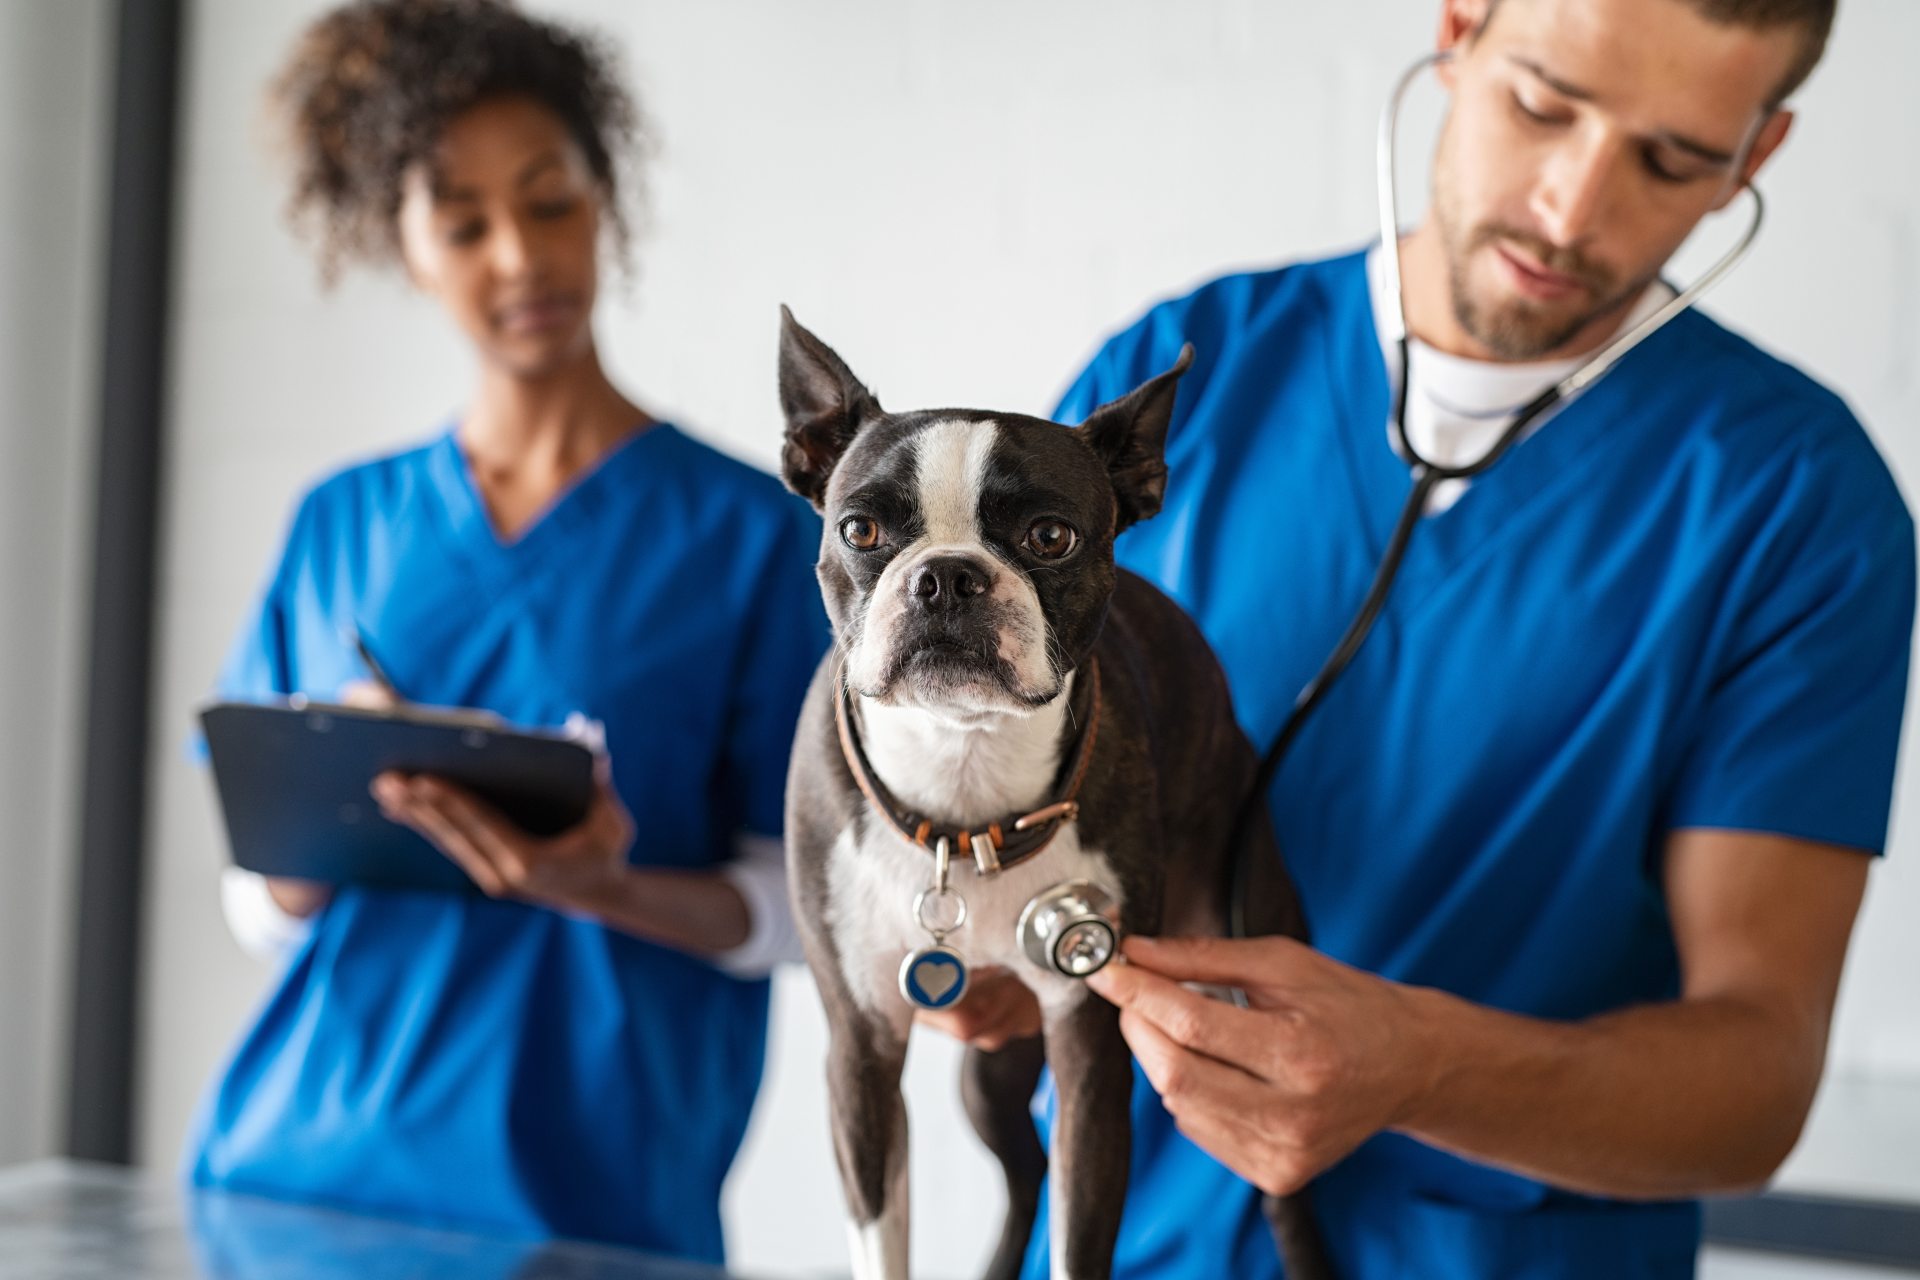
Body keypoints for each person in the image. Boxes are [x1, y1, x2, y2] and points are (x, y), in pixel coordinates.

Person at [929, 0, 1914, 1275]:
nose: (1570, 207)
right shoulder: (1179, 382)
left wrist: (1425, 1068)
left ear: (1756, 159)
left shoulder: (1795, 501)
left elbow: (1756, 1082)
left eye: (1671, 160)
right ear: (1459, 27)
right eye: (1543, 104)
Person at [183, 0, 827, 1264]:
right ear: (404, 245)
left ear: (605, 200)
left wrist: (606, 887)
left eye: (548, 200)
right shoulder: (345, 523)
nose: (519, 258)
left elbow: (804, 909)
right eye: (462, 222)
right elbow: (263, 901)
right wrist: (331, 808)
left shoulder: (752, 538)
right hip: (289, 1186)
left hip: (585, 1210)